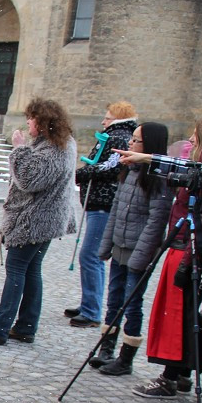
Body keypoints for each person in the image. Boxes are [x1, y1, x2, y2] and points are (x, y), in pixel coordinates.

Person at [121, 115, 202, 401]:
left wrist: (149, 158)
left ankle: (175, 375)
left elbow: (196, 175)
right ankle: (182, 373)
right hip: (187, 250)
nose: (190, 141)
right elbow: (190, 170)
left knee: (183, 318)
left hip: (194, 254)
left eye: (196, 137)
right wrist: (148, 158)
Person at [0, 98, 77, 345]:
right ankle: (25, 325)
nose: (28, 123)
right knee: (31, 271)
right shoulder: (60, 145)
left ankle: (1, 326)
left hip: (34, 222)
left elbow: (28, 179)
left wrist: (19, 148)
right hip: (44, 221)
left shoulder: (54, 149)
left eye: (31, 118)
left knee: (17, 271)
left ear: (43, 121)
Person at [87, 123, 173, 376]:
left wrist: (140, 257)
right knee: (114, 300)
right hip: (120, 247)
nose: (130, 146)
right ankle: (107, 347)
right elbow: (116, 211)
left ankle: (126, 356)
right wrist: (107, 245)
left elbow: (156, 221)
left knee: (131, 303)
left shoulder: (158, 179)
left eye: (136, 141)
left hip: (138, 250)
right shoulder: (129, 173)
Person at [67, 102, 137, 328]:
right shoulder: (115, 135)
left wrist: (83, 174)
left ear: (117, 118)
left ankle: (92, 310)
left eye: (107, 118)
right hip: (98, 201)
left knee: (91, 255)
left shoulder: (118, 137)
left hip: (103, 203)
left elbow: (111, 166)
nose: (103, 122)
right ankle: (90, 302)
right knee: (90, 255)